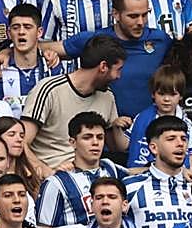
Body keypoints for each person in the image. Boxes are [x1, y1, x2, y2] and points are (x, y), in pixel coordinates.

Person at [21, 36, 124, 177]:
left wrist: (118, 126)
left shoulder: (107, 96)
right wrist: (49, 175)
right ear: (103, 67)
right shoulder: (49, 89)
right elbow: (21, 142)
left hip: (92, 179)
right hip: (50, 175)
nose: (119, 76)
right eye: (118, 69)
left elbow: (115, 147)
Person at [37, 110, 130, 228]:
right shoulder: (56, 183)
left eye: (100, 137)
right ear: (73, 142)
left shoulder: (110, 168)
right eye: (87, 138)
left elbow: (135, 173)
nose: (95, 142)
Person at [0, 3, 61, 120]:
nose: (21, 32)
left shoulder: (52, 67)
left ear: (39, 32)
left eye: (27, 27)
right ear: (9, 33)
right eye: (16, 27)